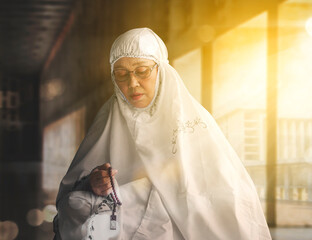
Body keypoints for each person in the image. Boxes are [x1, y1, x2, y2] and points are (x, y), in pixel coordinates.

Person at [53, 28, 272, 240]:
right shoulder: (108, 120)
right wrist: (92, 184)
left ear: (161, 70)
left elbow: (226, 195)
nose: (132, 83)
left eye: (142, 71)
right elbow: (70, 199)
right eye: (121, 75)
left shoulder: (193, 122)